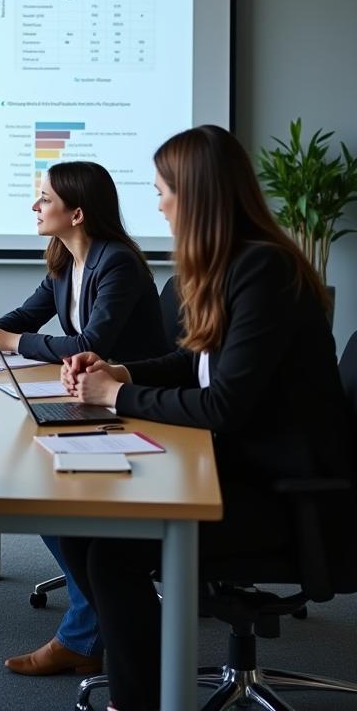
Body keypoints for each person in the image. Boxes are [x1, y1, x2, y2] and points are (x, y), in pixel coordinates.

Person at [59, 125, 356, 711]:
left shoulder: (263, 272)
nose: (160, 203)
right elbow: (194, 364)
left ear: (196, 195)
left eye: (164, 190)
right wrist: (122, 373)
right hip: (237, 468)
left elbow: (222, 404)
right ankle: (138, 667)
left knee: (113, 553)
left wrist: (114, 399)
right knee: (82, 520)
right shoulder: (234, 266)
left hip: (289, 498)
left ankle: (139, 697)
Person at [0, 161, 169, 678]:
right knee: (44, 484)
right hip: (90, 400)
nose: (35, 206)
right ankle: (102, 618)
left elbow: (89, 344)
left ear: (76, 212)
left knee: (49, 490)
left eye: (44, 199)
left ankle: (86, 630)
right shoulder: (64, 261)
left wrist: (12, 342)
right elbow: (25, 318)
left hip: (135, 405)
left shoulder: (116, 262)